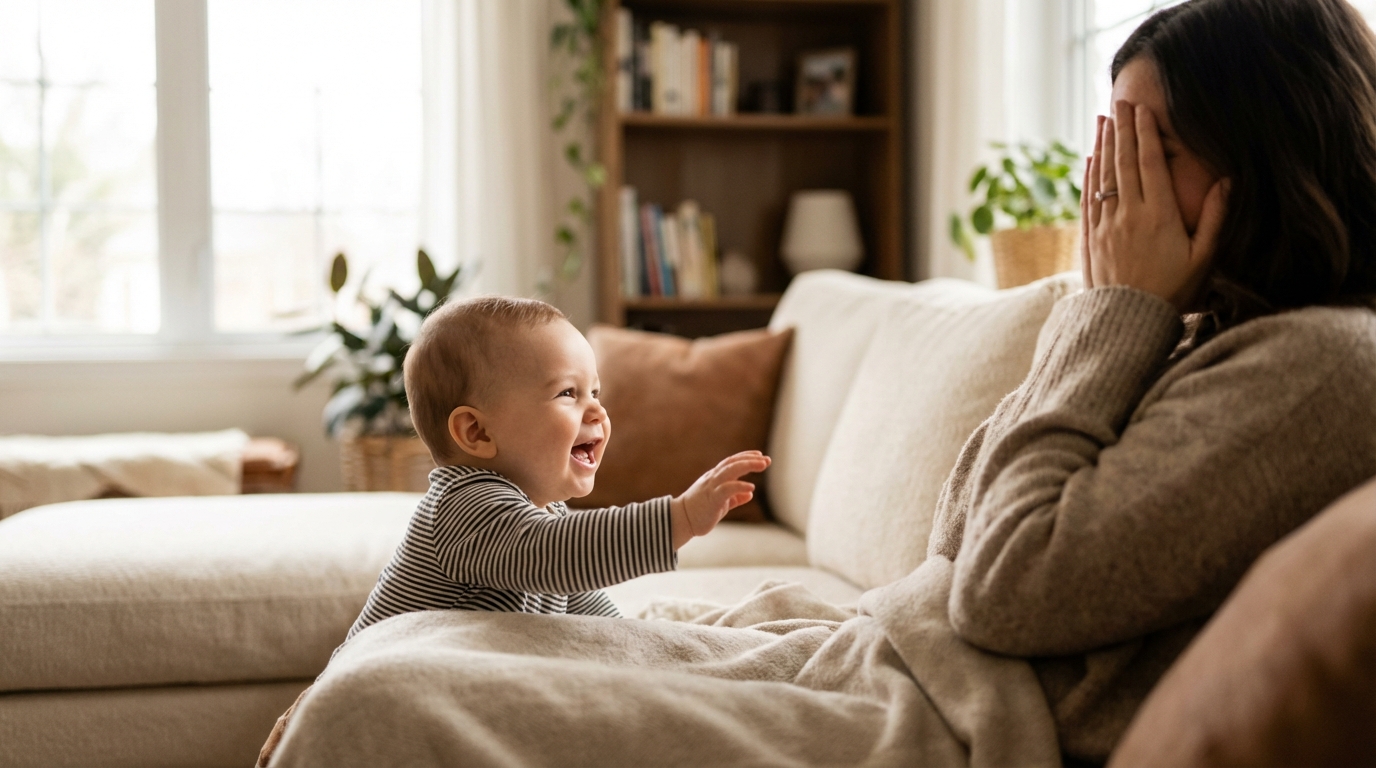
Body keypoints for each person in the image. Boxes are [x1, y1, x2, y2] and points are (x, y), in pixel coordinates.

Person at [268, 1, 1376, 765]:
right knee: (411, 661)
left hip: (956, 716)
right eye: (1107, 139)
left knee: (384, 702)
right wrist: (1110, 324)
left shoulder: (1323, 367)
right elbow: (960, 530)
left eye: (1149, 142)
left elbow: (1007, 586)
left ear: (1264, 151)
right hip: (905, 652)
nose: (1106, 182)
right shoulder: (1179, 338)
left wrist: (1109, 313)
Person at [345, 295, 768, 634]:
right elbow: (563, 553)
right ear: (477, 433)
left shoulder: (541, 514)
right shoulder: (463, 510)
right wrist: (681, 518)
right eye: (568, 393)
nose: (597, 412)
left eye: (596, 393)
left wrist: (654, 653)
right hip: (369, 702)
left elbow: (595, 618)